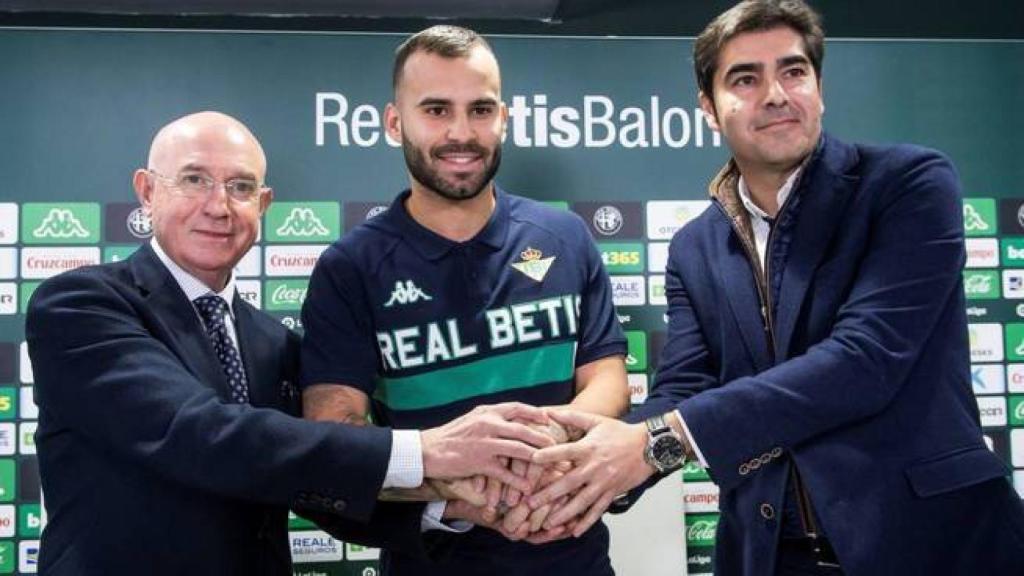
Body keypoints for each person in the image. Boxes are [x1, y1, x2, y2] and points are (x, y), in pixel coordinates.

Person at [525, 1, 1024, 575]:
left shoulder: (906, 185)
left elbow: (863, 362)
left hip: (932, 545)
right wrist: (588, 467)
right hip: (770, 555)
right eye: (745, 78)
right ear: (709, 110)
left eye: (793, 71)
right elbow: (685, 385)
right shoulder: (694, 246)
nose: (775, 93)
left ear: (818, 87)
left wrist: (652, 443)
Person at [25, 111, 555, 575]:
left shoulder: (272, 341)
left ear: (264, 203)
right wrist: (428, 452)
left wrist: (453, 505)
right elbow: (195, 433)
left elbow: (318, 484)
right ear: (146, 190)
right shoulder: (81, 305)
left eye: (240, 187)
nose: (218, 206)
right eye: (193, 180)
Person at [300, 25, 629, 576]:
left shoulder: (564, 236)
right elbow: (337, 430)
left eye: (480, 110)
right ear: (394, 122)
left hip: (573, 556)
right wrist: (458, 483)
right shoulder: (349, 268)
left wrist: (536, 448)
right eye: (435, 110)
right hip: (431, 560)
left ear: (504, 118)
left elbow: (609, 380)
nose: (461, 132)